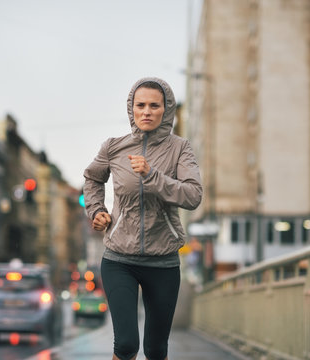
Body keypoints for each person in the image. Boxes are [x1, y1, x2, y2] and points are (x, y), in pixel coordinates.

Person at [83, 77, 203, 360]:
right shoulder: (114, 147)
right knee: (125, 345)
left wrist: (153, 176)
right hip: (118, 259)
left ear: (166, 109)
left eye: (154, 105)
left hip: (163, 262)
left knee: (156, 350)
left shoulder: (180, 148)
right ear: (131, 109)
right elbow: (91, 179)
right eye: (140, 105)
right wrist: (96, 210)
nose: (146, 111)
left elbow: (193, 195)